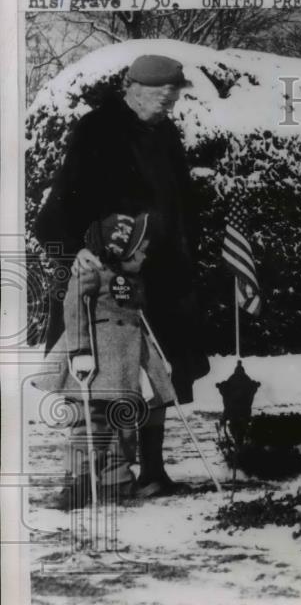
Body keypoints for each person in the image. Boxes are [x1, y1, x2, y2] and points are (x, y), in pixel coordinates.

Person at [35, 54, 209, 498]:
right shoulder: (97, 129)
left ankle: (153, 472)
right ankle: (95, 478)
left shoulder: (165, 131)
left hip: (163, 273)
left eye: (174, 93)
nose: (169, 100)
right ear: (130, 88)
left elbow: (179, 198)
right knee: (94, 375)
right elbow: (60, 205)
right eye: (159, 92)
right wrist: (75, 253)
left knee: (161, 370)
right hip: (104, 275)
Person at [38, 212, 176, 508]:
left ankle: (118, 483)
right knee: (89, 424)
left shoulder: (133, 279)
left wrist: (155, 358)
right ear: (119, 249)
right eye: (139, 250)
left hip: (126, 363)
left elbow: (138, 317)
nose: (144, 256)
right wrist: (80, 350)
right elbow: (74, 309)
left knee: (124, 425)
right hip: (95, 363)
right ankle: (78, 483)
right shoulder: (92, 272)